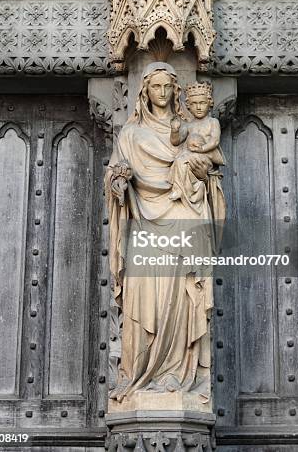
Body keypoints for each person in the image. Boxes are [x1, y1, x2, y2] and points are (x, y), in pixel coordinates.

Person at [106, 62, 225, 402]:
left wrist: (202, 174)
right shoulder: (129, 135)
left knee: (180, 301)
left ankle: (178, 374)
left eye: (167, 87)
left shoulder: (188, 130)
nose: (161, 93)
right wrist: (117, 182)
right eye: (155, 87)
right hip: (144, 222)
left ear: (176, 91)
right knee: (147, 301)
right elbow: (116, 171)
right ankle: (143, 377)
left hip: (183, 215)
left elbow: (210, 171)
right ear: (145, 91)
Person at [169, 81, 224, 210]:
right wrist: (175, 130)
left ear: (209, 104)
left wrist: (201, 149)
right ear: (188, 106)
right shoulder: (189, 125)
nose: (198, 107)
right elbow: (175, 141)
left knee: (186, 161)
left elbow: (215, 141)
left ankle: (194, 188)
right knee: (179, 161)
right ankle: (181, 188)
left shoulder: (212, 122)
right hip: (191, 156)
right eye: (194, 104)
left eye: (202, 103)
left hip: (207, 157)